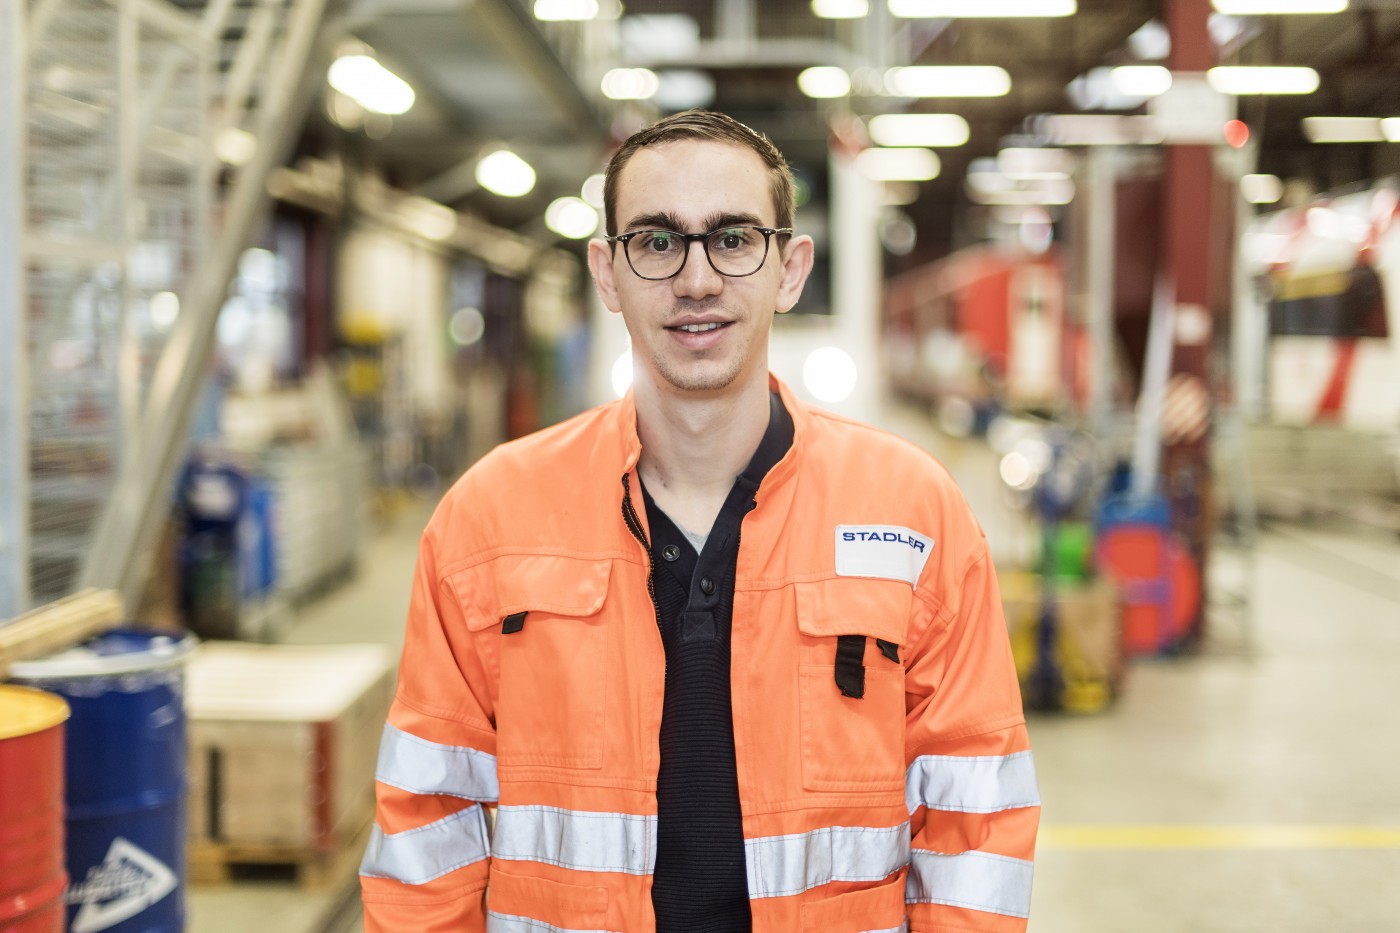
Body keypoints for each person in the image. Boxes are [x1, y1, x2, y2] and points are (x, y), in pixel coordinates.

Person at [360, 109, 1040, 933]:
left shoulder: (915, 514)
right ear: (607, 273)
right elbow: (427, 829)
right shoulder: (488, 519)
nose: (697, 279)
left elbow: (975, 824)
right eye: (656, 241)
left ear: (790, 269)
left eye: (733, 238)